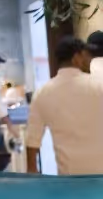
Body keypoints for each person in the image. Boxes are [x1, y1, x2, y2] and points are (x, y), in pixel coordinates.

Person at [26, 36, 103, 175]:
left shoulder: (42, 93)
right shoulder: (98, 85)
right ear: (76, 57)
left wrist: (32, 169)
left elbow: (32, 138)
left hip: (69, 178)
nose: (89, 60)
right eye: (86, 55)